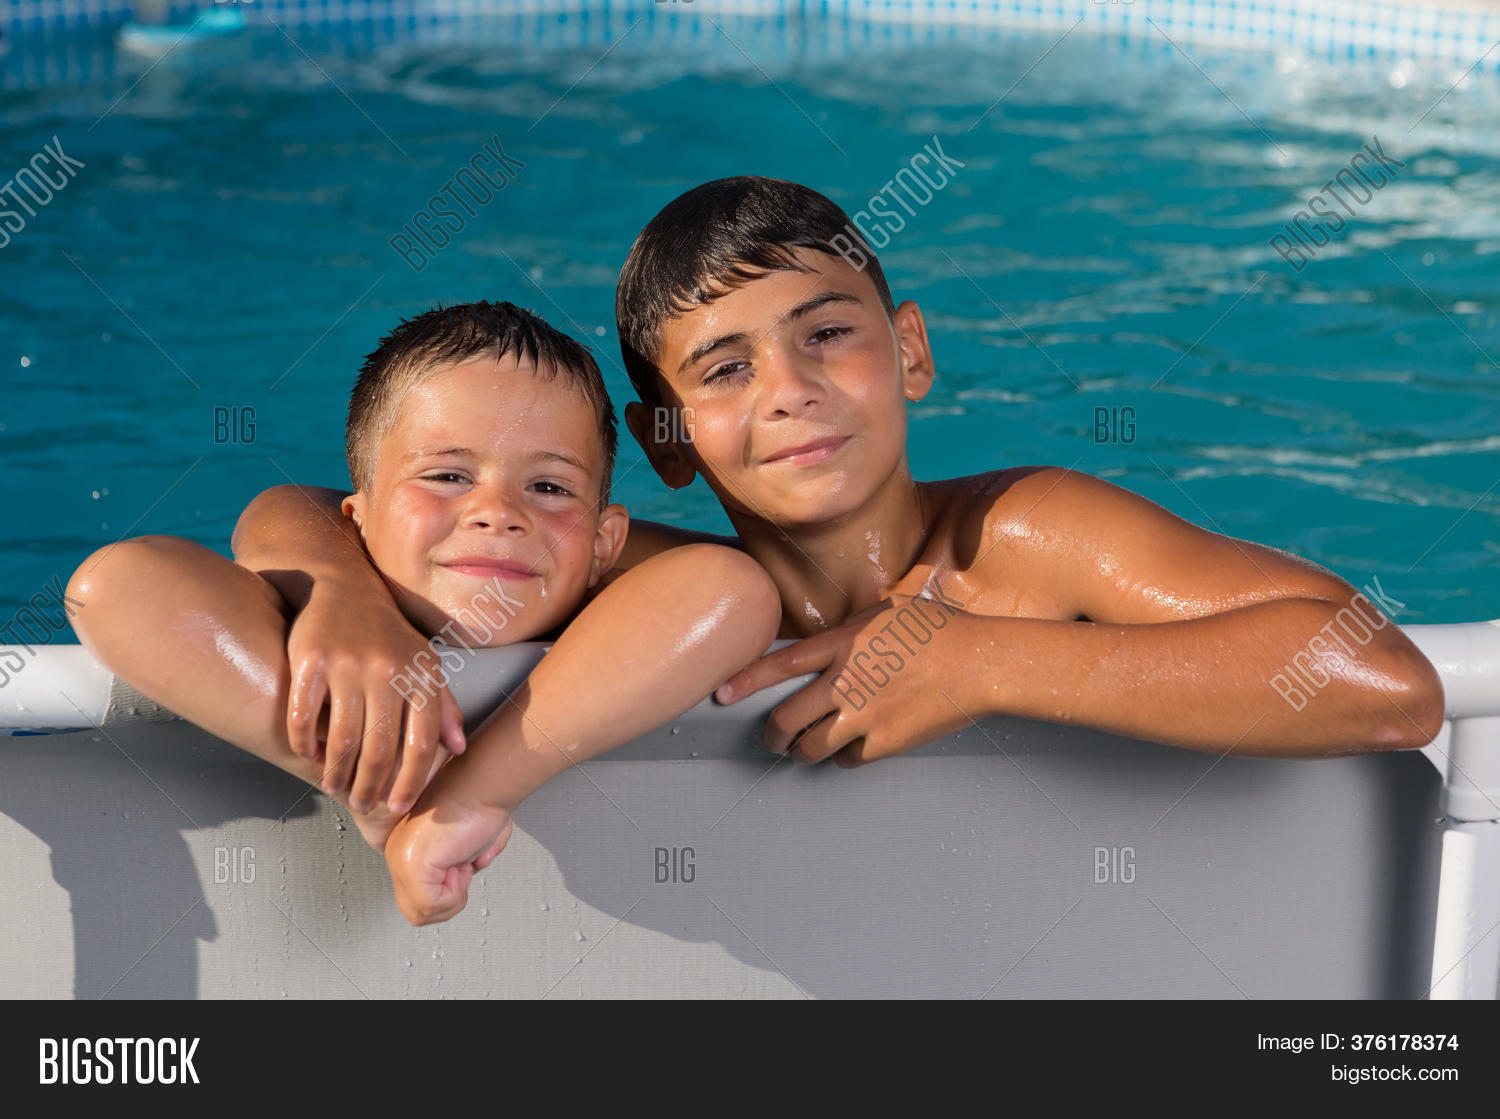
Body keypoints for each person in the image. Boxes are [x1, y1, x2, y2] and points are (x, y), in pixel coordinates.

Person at [233, 177, 1445, 772]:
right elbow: (309, 509)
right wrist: (336, 590)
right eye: (722, 369)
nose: (787, 390)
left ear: (907, 350)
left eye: (828, 334)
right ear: (665, 442)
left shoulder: (1022, 541)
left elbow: (1382, 680)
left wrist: (983, 658)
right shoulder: (658, 585)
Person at [68, 300, 779, 924]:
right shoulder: (317, 620)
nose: (498, 513)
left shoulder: (617, 627)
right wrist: (341, 602)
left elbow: (733, 590)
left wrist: (458, 805)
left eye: (550, 487)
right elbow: (113, 586)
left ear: (604, 546)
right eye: (447, 476)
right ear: (357, 522)